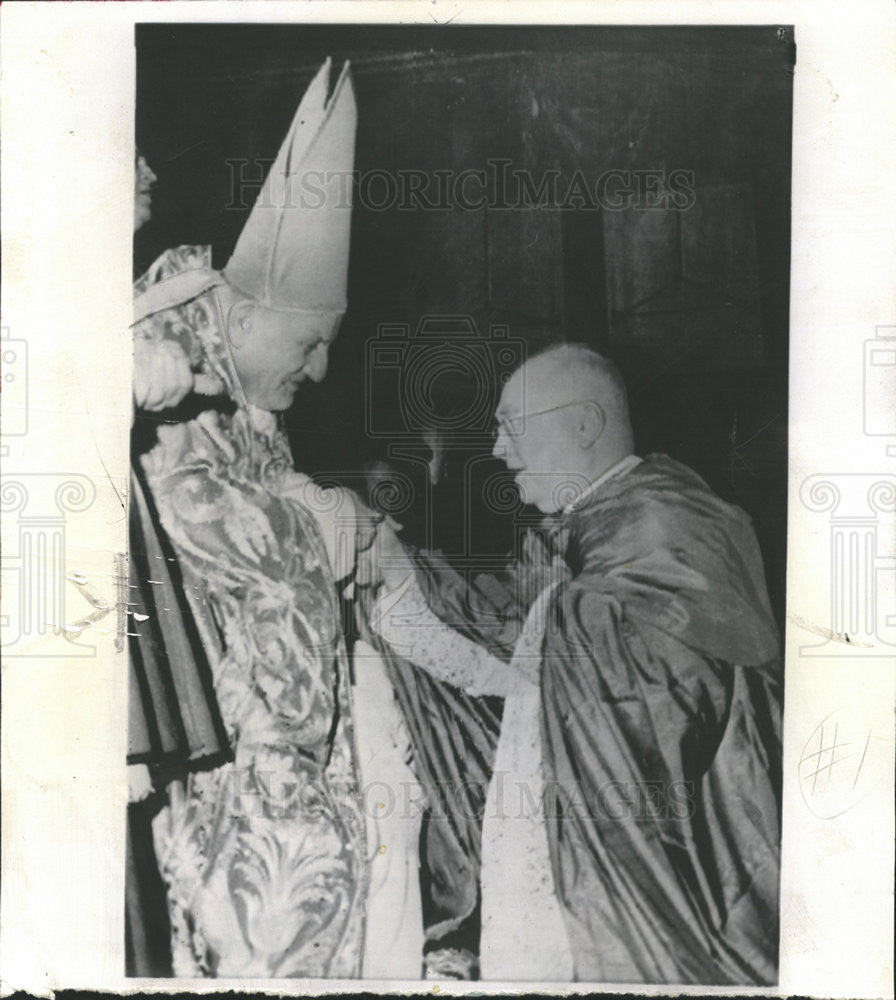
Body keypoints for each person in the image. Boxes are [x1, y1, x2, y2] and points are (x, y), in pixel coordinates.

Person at [128, 60, 426, 978]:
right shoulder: (154, 358)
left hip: (294, 766)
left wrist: (329, 518)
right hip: (215, 769)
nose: (320, 371)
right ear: (247, 320)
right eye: (308, 342)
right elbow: (182, 516)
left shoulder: (259, 412)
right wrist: (312, 525)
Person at [363, 342, 783, 985]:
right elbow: (506, 629)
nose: (498, 450)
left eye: (510, 425)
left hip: (663, 903)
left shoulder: (643, 550)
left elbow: (625, 729)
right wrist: (394, 564)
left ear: (584, 424)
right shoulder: (621, 528)